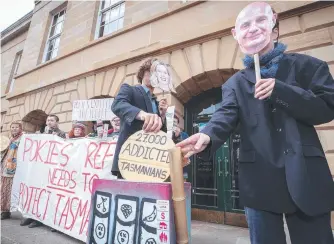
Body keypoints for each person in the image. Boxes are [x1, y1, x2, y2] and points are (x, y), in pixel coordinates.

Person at [177, 2, 334, 244]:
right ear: (237, 36)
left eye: (259, 22)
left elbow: (326, 108)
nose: (252, 29)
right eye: (245, 25)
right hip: (260, 180)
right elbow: (225, 115)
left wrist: (281, 91)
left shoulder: (308, 66)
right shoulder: (235, 84)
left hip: (306, 175)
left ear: (274, 26)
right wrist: (207, 135)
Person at [111, 58, 168, 179]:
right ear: (143, 74)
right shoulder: (129, 89)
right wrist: (143, 114)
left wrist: (162, 115)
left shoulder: (157, 103)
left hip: (150, 161)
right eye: (151, 73)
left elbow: (161, 132)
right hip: (130, 157)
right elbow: (117, 105)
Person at [21, 114, 65, 229]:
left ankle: (40, 218)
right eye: (48, 120)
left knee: (44, 194)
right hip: (38, 168)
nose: (49, 122)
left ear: (57, 122)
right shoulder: (41, 134)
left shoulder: (61, 134)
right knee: (34, 193)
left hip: (50, 169)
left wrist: (58, 139)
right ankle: (31, 215)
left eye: (52, 120)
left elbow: (64, 149)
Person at [1, 121, 23, 220]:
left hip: (17, 168)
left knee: (15, 189)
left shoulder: (23, 138)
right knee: (5, 189)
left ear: (20, 128)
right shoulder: (9, 139)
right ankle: (5, 210)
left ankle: (24, 212)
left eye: (16, 127)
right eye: (12, 127)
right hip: (6, 167)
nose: (14, 129)